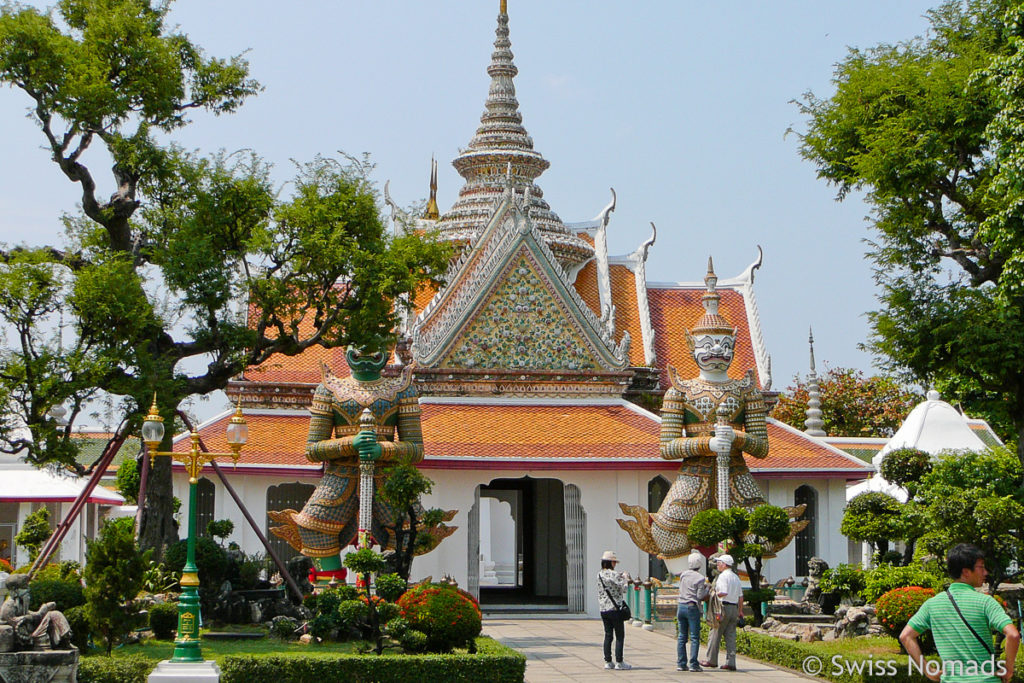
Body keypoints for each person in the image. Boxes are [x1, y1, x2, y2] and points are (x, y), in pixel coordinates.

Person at [900, 544, 1020, 683]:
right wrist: (1008, 668)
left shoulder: (932, 605)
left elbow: (906, 636)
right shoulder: (986, 602)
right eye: (981, 567)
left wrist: (928, 670)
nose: (985, 572)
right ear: (966, 572)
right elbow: (1013, 634)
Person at [701, 554, 742, 671]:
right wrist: (740, 611)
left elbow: (723, 592)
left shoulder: (723, 577)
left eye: (719, 563)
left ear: (724, 564)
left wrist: (714, 593)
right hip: (734, 608)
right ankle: (731, 662)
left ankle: (711, 660)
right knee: (731, 636)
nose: (717, 565)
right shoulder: (736, 577)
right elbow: (740, 597)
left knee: (715, 633)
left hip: (722, 608)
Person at [596, 550, 632, 671]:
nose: (615, 564)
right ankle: (619, 662)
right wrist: (625, 578)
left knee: (608, 635)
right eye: (614, 562)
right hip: (615, 609)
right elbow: (624, 589)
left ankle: (608, 661)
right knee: (620, 636)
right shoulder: (613, 574)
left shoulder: (599, 574)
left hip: (603, 609)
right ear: (610, 562)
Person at [676, 552, 710, 672]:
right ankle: (693, 664)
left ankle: (681, 663)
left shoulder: (683, 575)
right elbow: (700, 596)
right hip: (692, 607)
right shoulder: (700, 578)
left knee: (682, 636)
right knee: (694, 637)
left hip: (681, 606)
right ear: (700, 564)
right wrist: (707, 589)